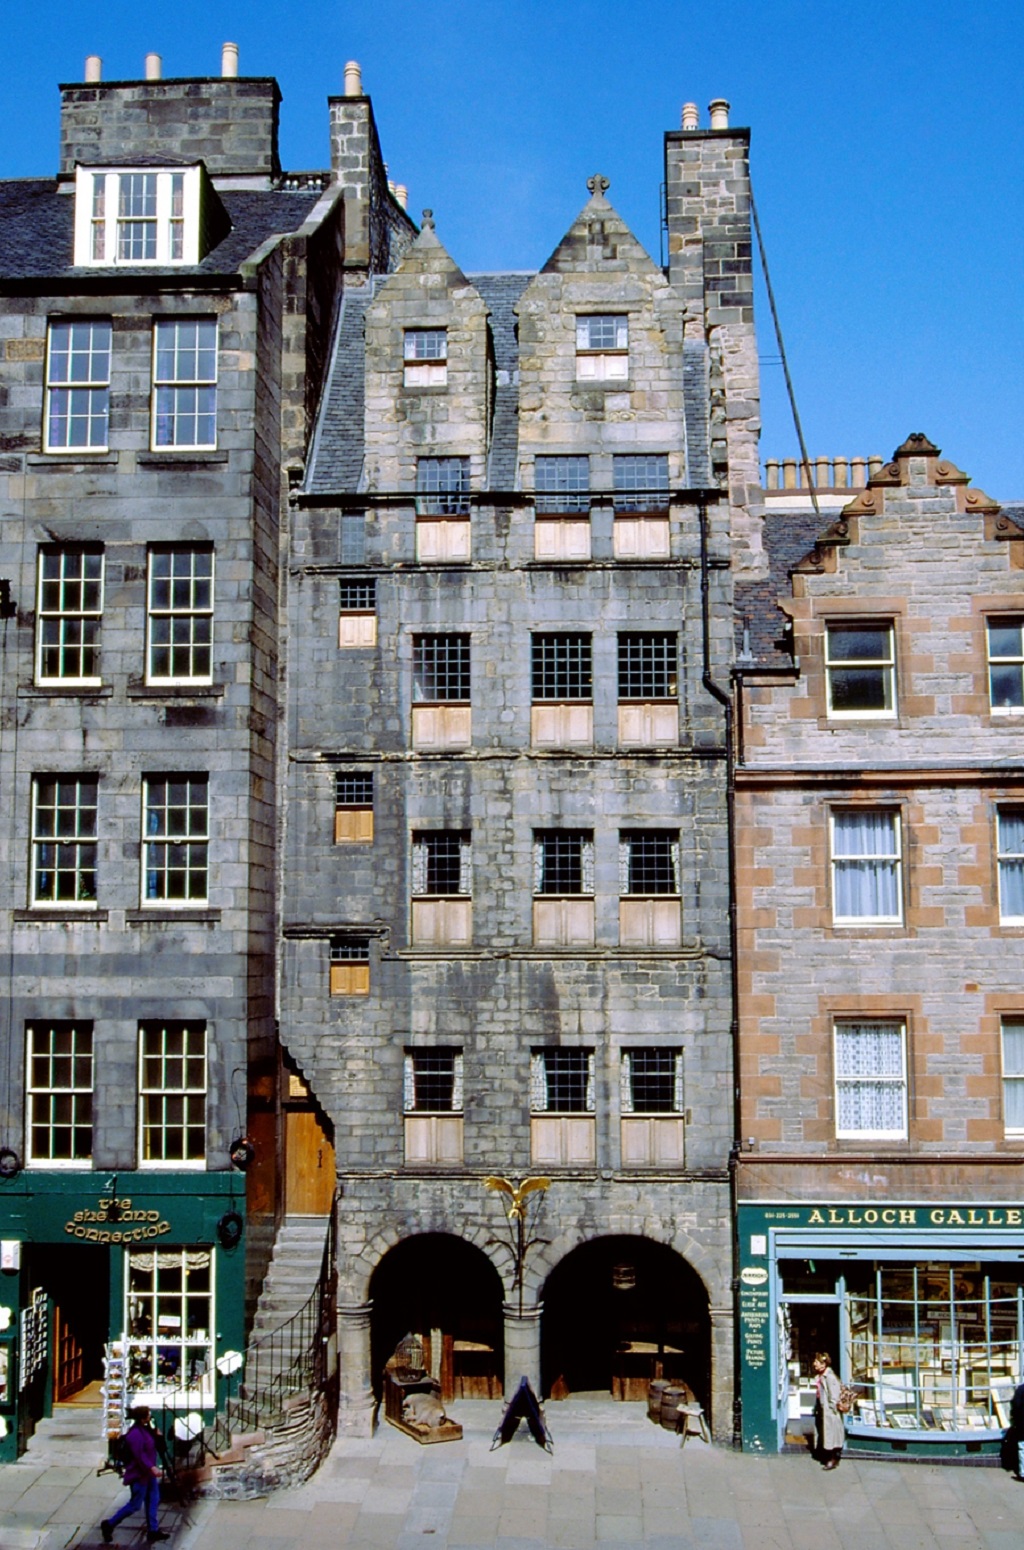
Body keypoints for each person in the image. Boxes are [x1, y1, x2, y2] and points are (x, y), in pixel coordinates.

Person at [100, 1406, 169, 1543]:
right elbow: (139, 1455)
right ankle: (109, 1524)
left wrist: (158, 1436)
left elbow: (156, 1446)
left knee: (153, 1500)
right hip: (139, 1475)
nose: (150, 1417)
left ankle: (153, 1530)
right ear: (142, 1418)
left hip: (148, 1475)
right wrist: (152, 1468)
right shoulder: (135, 1434)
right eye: (148, 1415)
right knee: (135, 1505)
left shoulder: (146, 1430)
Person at [812, 1351, 844, 1470]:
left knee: (832, 1435)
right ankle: (827, 1456)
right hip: (823, 1410)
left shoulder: (829, 1377)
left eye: (816, 1362)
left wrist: (830, 1409)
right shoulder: (821, 1376)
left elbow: (834, 1395)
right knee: (826, 1435)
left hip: (830, 1412)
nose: (814, 1364)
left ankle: (832, 1459)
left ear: (823, 1364)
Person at [1010, 1378, 1024, 1479]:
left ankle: (1023, 1473)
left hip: (1022, 1424)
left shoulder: (1020, 1389)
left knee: (1023, 1448)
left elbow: (1015, 1405)